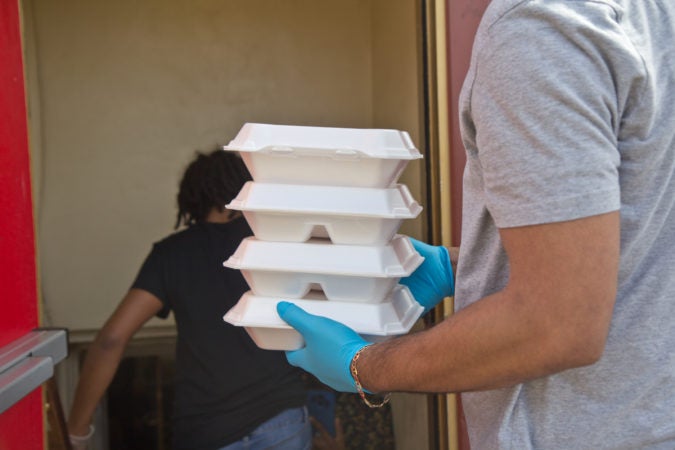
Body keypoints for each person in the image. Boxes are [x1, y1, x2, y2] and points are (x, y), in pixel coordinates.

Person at [275, 1, 675, 448]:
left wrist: (363, 365)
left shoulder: (539, 26)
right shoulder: (652, 16)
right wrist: (462, 266)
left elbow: (557, 325)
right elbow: (649, 238)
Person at [67, 150, 311, 450]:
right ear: (243, 187)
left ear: (193, 198)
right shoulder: (269, 245)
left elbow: (111, 340)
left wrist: (77, 430)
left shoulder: (171, 255)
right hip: (280, 419)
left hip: (207, 429)